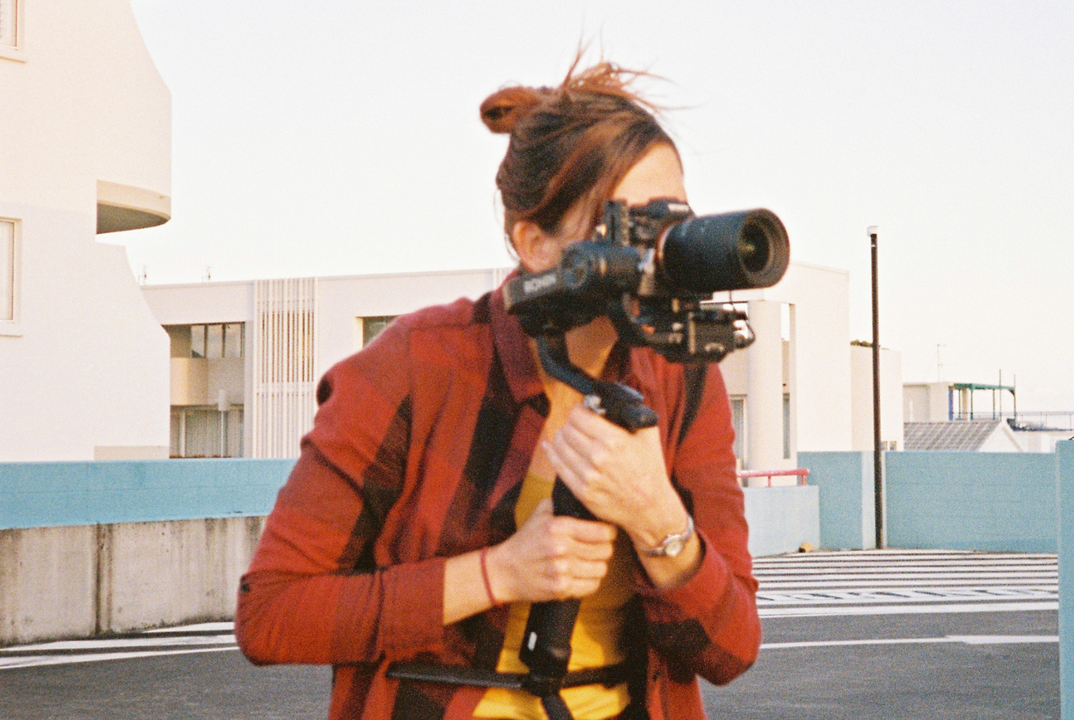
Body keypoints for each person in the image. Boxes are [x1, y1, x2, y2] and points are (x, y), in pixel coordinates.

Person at [235, 58, 761, 720]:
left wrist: (658, 517)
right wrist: (498, 574)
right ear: (534, 242)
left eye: (675, 225)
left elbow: (733, 649)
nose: (662, 253)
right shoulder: (416, 365)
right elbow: (273, 615)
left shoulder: (683, 380)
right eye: (633, 227)